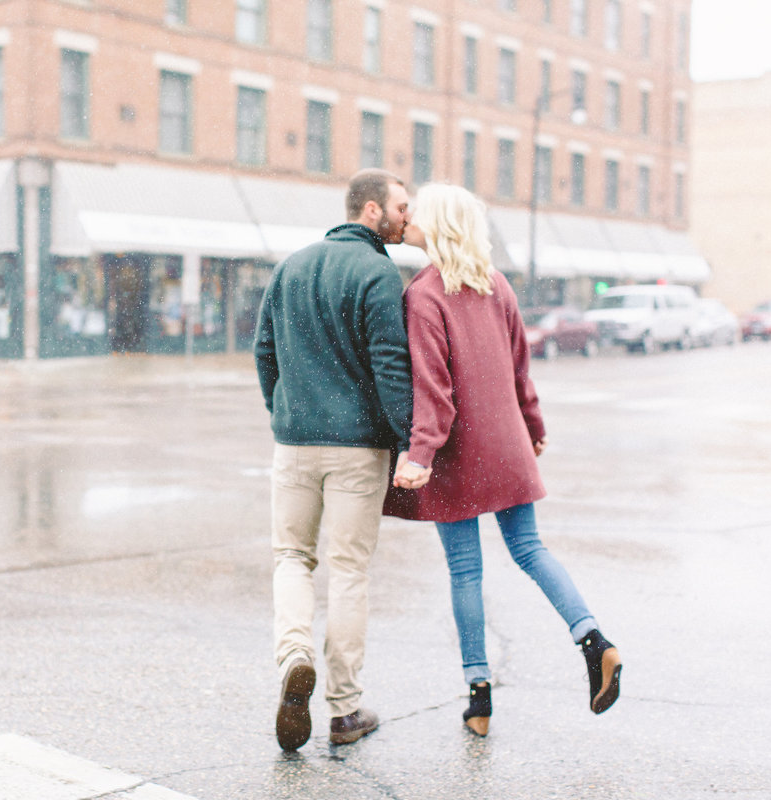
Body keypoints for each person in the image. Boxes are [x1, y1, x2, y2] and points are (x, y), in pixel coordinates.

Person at [385, 183, 622, 737]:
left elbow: (433, 386)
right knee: (530, 550)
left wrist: (420, 452)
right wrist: (533, 428)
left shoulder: (423, 294)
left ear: (437, 223)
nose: (410, 215)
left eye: (418, 210)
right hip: (507, 443)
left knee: (465, 570)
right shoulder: (496, 285)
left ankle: (480, 696)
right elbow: (522, 372)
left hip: (456, 451)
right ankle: (594, 641)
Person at [254, 169, 413, 751]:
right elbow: (392, 367)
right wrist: (408, 443)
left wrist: (284, 411)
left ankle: (294, 655)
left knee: (292, 557)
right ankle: (344, 712)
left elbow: (264, 350)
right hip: (357, 448)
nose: (405, 216)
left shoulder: (291, 266)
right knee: (348, 571)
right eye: (400, 206)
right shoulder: (378, 273)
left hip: (294, 443)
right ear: (370, 210)